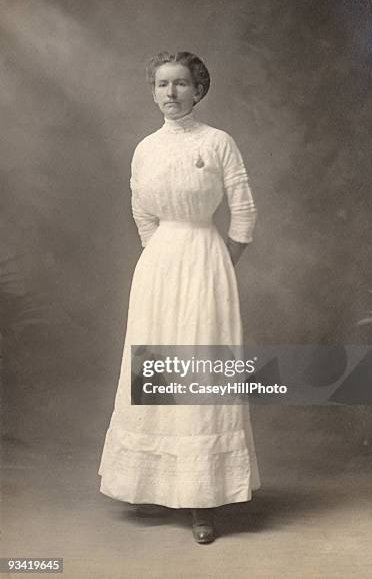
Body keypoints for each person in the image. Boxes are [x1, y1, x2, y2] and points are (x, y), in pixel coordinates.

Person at [98, 51, 261, 544]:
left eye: (181, 84)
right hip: (158, 269)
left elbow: (244, 212)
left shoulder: (218, 142)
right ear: (153, 92)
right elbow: (140, 211)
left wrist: (216, 266)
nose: (171, 93)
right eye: (162, 85)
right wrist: (163, 261)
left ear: (199, 89)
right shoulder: (144, 148)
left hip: (206, 260)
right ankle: (154, 483)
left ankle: (201, 502)